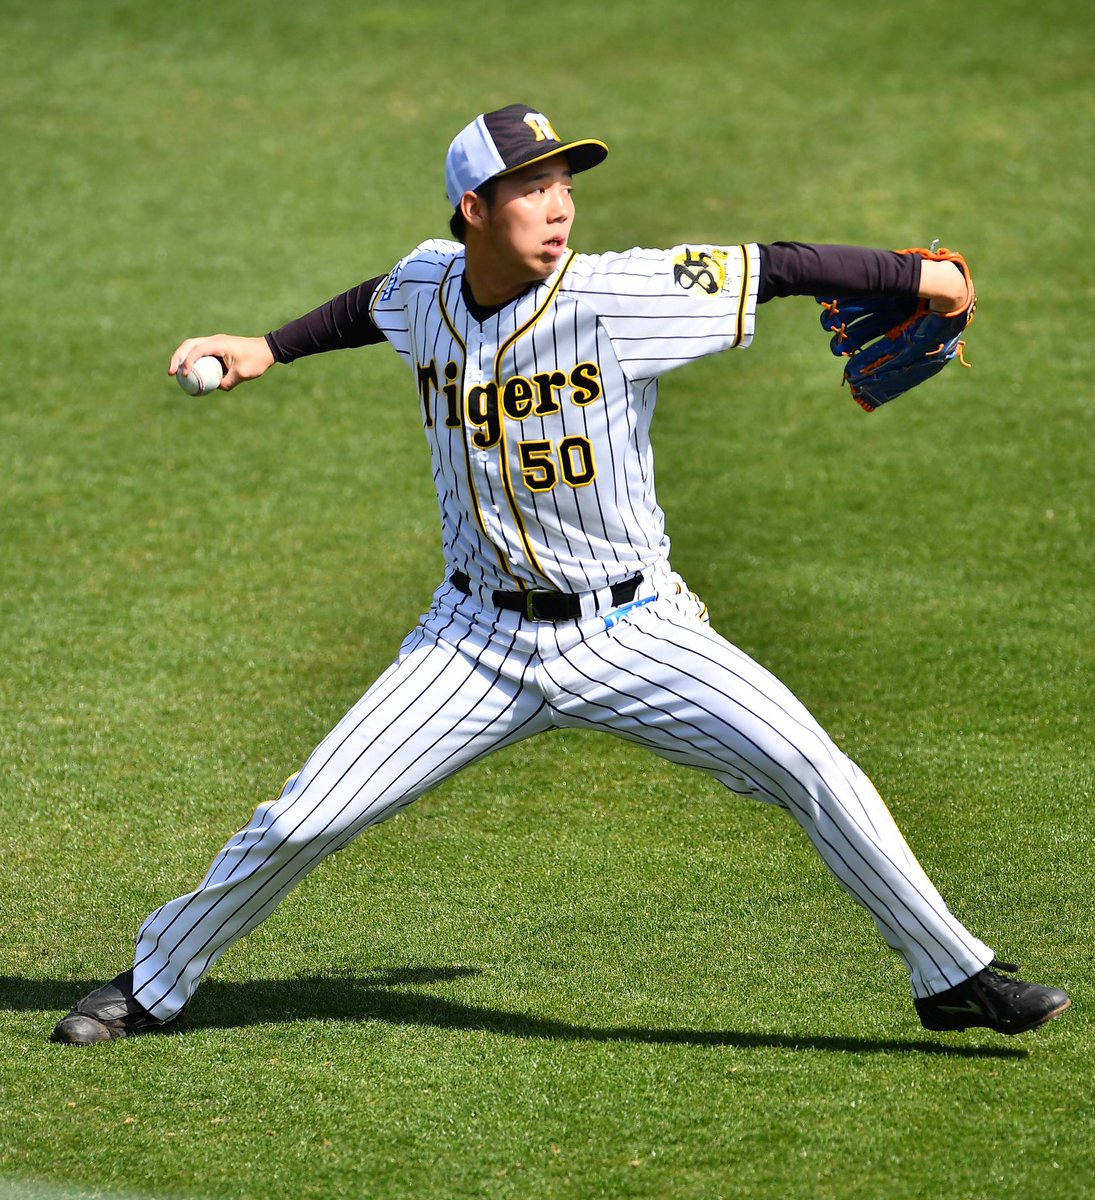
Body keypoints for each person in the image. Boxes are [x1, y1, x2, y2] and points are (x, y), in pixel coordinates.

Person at [53, 103, 1068, 1045]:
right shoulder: (427, 287)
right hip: (471, 643)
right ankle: (153, 982)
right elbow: (373, 305)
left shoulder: (620, 296)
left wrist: (918, 278)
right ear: (474, 209)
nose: (559, 206)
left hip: (633, 630)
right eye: (533, 188)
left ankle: (952, 973)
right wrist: (268, 348)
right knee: (306, 817)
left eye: (565, 185)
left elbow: (779, 266)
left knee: (812, 768)